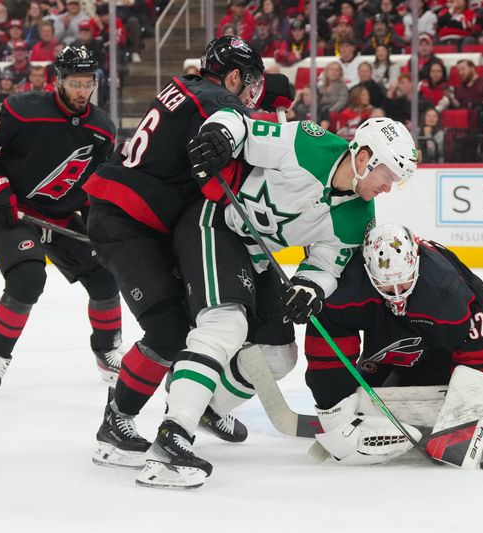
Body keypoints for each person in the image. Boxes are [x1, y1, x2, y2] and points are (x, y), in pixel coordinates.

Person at [135, 117, 420, 489]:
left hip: (256, 256)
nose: (388, 187)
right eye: (388, 176)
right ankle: (172, 438)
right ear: (365, 158)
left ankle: (207, 406)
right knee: (225, 324)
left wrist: (309, 288)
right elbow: (241, 126)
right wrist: (221, 135)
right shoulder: (308, 143)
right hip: (215, 223)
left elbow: (325, 266)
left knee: (278, 356)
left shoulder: (360, 218)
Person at [83, 37, 285, 467]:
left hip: (136, 216)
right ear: (234, 76)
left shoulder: (188, 87)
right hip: (127, 221)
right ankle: (117, 421)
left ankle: (194, 403)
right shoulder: (218, 100)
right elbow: (232, 127)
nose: (251, 92)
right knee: (168, 330)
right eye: (249, 82)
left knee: (196, 321)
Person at [303, 224, 483, 466]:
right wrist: (333, 406)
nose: (396, 294)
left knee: (439, 377)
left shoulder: (445, 292)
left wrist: (465, 419)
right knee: (367, 383)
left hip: (442, 335)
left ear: (415, 263)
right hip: (387, 324)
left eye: (403, 283)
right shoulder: (349, 285)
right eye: (386, 285)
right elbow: (327, 342)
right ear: (368, 270)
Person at [0, 46, 122, 392]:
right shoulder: (25, 109)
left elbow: (94, 186)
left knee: (105, 277)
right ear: (59, 81)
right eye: (75, 83)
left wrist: (98, 224)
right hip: (12, 210)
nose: (82, 91)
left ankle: (107, 350)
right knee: (28, 277)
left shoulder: (103, 129)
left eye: (88, 83)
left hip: (60, 218)